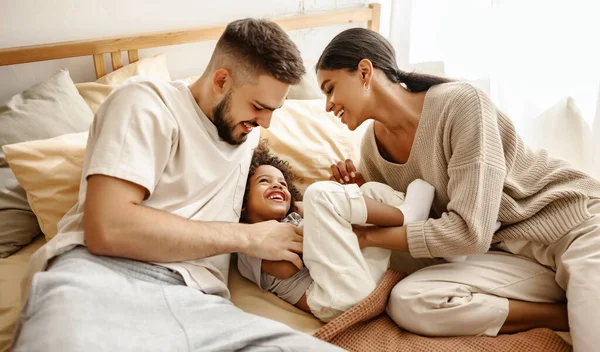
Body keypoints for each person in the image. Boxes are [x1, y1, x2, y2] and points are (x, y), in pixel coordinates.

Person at [12, 19, 345, 352]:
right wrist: (251, 238)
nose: (265, 123)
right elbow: (108, 229)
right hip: (100, 280)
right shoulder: (146, 102)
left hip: (200, 305)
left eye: (274, 110)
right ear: (221, 80)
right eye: (258, 107)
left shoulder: (248, 134)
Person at [317, 27, 600, 351]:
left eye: (330, 88)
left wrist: (366, 236)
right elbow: (412, 221)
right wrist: (363, 194)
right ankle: (560, 315)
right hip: (508, 255)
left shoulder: (460, 104)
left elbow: (468, 232)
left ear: (364, 72)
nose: (328, 105)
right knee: (409, 300)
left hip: (576, 229)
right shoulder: (372, 149)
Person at [236, 141, 435, 322]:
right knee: (318, 193)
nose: (277, 185)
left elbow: (321, 226)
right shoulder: (249, 241)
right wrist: (323, 221)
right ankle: (408, 216)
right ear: (242, 203)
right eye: (264, 181)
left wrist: (334, 205)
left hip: (363, 279)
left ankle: (423, 228)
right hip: (336, 299)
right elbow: (288, 267)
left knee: (371, 191)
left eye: (283, 183)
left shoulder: (294, 218)